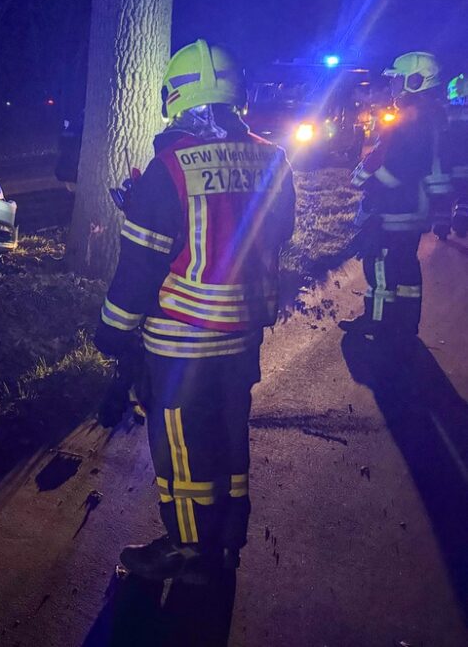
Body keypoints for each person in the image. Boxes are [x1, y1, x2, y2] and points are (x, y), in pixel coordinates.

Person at [94, 39, 296, 583]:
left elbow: (139, 269)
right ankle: (227, 541)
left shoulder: (169, 168)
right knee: (230, 435)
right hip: (244, 335)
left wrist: (111, 331)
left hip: (182, 341)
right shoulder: (273, 157)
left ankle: (188, 551)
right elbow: (280, 233)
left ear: (176, 98)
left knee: (181, 449)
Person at [340, 52, 447, 340]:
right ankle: (404, 323)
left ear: (415, 80)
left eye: (398, 79)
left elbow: (395, 167)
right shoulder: (430, 115)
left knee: (380, 268)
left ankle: (377, 323)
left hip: (395, 207)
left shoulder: (412, 119)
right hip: (413, 207)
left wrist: (370, 186)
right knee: (405, 268)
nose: (393, 86)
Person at [446, 74, 468, 237]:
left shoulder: (446, 112)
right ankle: (460, 221)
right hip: (464, 163)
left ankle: (442, 226)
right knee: (464, 196)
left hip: (448, 164)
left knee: (447, 197)